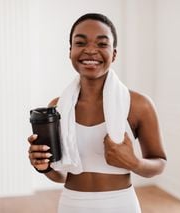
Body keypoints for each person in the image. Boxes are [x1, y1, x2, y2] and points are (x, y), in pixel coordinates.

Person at [27, 13, 167, 213]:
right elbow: (60, 176)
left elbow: (159, 163)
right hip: (71, 204)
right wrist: (44, 167)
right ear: (70, 51)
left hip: (121, 204)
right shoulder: (57, 108)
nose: (91, 50)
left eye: (102, 44)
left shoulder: (139, 105)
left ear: (114, 54)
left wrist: (134, 162)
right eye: (80, 42)